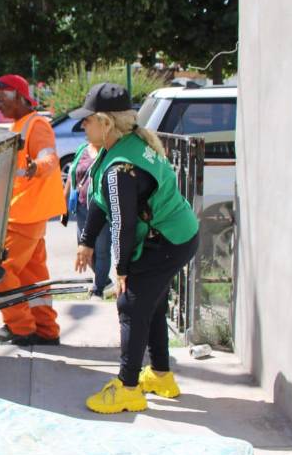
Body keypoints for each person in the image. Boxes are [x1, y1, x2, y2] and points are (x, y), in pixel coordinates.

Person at [70, 83, 199, 413]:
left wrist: (121, 269)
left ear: (106, 123)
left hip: (167, 241)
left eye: (88, 120)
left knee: (131, 305)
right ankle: (160, 375)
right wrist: (86, 242)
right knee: (151, 305)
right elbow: (100, 203)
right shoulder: (122, 149)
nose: (82, 126)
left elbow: (125, 225)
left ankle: (128, 389)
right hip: (177, 236)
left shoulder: (120, 169)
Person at [0, 74, 67, 346]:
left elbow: (49, 156)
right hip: (27, 214)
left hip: (23, 216)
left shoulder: (36, 125)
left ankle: (20, 327)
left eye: (3, 99)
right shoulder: (19, 126)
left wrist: (38, 167)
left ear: (21, 97)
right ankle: (46, 329)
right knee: (33, 276)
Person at [63, 140, 114, 297]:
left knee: (101, 250)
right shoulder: (82, 149)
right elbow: (72, 177)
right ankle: (104, 281)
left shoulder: (108, 151)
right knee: (84, 248)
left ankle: (98, 289)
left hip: (100, 210)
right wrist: (63, 205)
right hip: (80, 207)